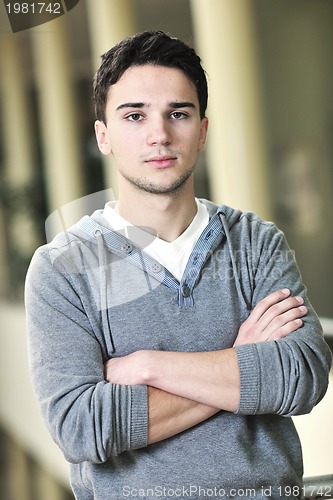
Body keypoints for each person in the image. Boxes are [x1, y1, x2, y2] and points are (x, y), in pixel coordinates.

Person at [25, 30, 332, 500]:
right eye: (134, 116)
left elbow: (300, 376)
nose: (159, 134)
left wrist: (149, 366)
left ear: (202, 130)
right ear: (103, 136)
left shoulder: (256, 242)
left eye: (178, 113)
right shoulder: (61, 268)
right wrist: (239, 361)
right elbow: (83, 428)